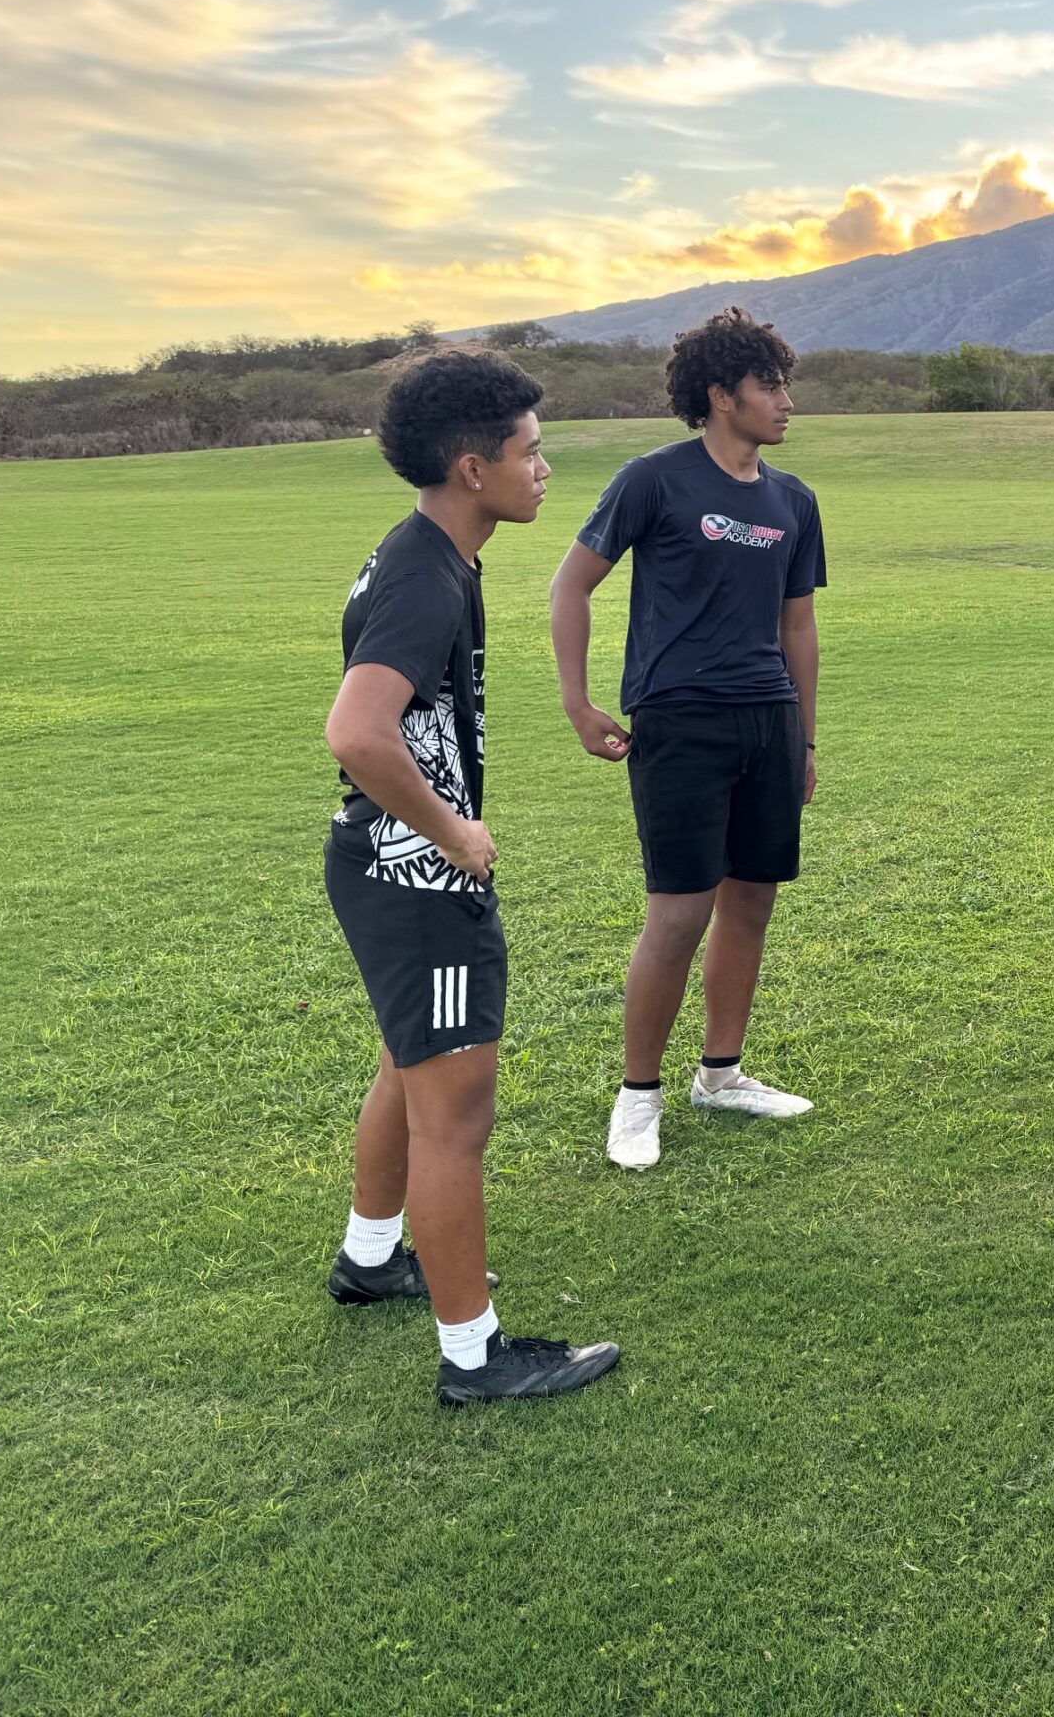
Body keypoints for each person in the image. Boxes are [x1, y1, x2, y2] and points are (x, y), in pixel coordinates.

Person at [323, 348, 620, 1405]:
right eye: (530, 453)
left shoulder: (432, 554)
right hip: (415, 878)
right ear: (470, 467)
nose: (546, 468)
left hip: (379, 866)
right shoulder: (424, 576)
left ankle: (370, 1258)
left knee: (412, 1070)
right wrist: (452, 831)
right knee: (456, 1115)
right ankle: (473, 1358)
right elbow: (357, 731)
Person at [550, 307, 826, 1170]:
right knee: (679, 910)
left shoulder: (792, 500)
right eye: (768, 386)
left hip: (768, 722)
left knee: (752, 898)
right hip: (679, 720)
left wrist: (806, 740)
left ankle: (722, 1073)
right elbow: (571, 585)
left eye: (785, 384)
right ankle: (638, 1098)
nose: (785, 402)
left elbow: (800, 628)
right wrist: (578, 701)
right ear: (719, 395)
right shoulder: (653, 481)